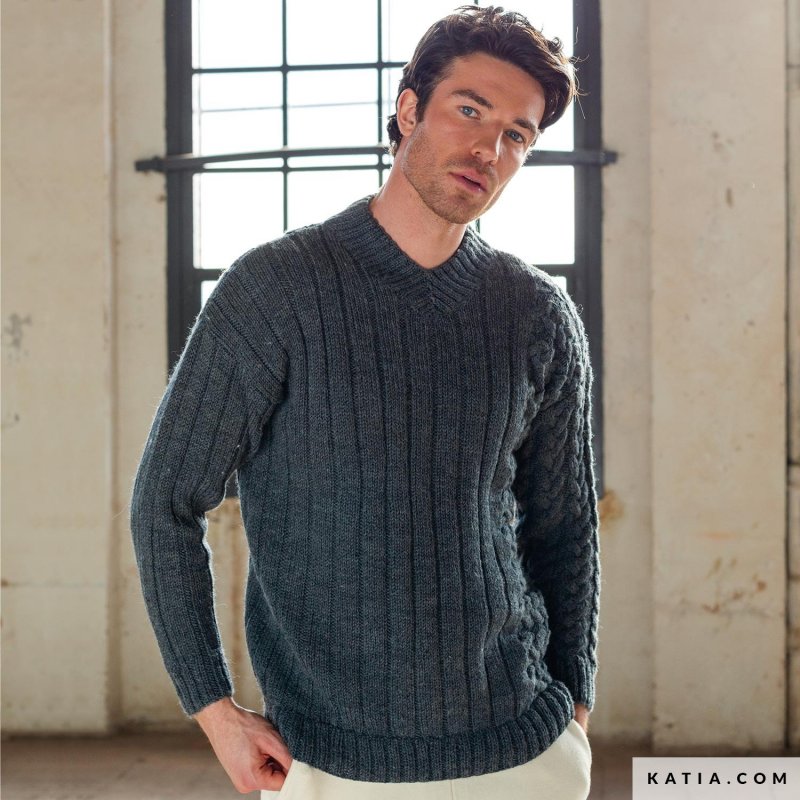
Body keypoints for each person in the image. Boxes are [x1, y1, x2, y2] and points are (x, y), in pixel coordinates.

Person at [129, 5, 600, 799]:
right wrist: (213, 709)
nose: (489, 149)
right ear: (409, 109)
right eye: (470, 110)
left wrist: (575, 704)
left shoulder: (536, 313)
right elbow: (164, 502)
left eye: (517, 135)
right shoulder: (275, 290)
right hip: (326, 762)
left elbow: (566, 527)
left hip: (524, 753)